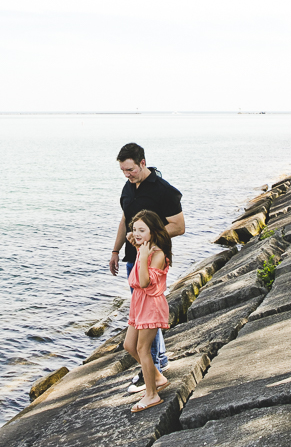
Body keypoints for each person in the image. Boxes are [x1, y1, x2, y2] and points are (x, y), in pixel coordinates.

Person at [109, 142, 185, 393]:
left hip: (150, 260)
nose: (127, 175)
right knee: (142, 314)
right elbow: (125, 220)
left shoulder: (165, 191)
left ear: (143, 163)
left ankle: (151, 373)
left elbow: (178, 226)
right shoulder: (128, 187)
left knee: (146, 318)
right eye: (123, 171)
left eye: (130, 169)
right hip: (132, 259)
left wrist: (149, 242)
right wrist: (115, 251)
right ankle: (155, 365)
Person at [122, 210, 173, 412]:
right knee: (129, 345)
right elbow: (132, 237)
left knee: (143, 349)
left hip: (151, 304)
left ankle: (152, 395)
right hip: (139, 303)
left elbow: (144, 282)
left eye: (142, 230)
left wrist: (143, 257)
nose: (137, 233)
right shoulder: (142, 247)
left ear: (153, 231)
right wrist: (135, 240)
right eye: (135, 229)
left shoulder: (157, 254)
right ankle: (158, 378)